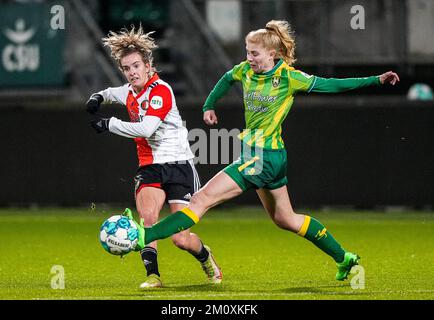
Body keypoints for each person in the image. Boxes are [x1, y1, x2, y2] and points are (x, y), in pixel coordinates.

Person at [128, 20, 400, 281]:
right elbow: (226, 78)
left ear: (272, 54)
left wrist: (376, 80)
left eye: (255, 53)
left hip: (262, 157)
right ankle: (344, 258)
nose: (250, 58)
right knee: (286, 218)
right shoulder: (246, 70)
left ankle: (143, 237)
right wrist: (209, 105)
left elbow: (332, 84)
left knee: (199, 201)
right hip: (270, 158)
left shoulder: (289, 78)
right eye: (247, 52)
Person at [86, 25, 222, 288]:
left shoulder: (161, 91)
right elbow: (112, 92)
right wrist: (97, 96)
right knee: (148, 220)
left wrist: (109, 124)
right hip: (149, 167)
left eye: (136, 66)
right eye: (127, 68)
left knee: (180, 239)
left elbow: (146, 128)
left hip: (179, 166)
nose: (132, 72)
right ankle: (153, 276)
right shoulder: (129, 91)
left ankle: (205, 256)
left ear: (148, 65)